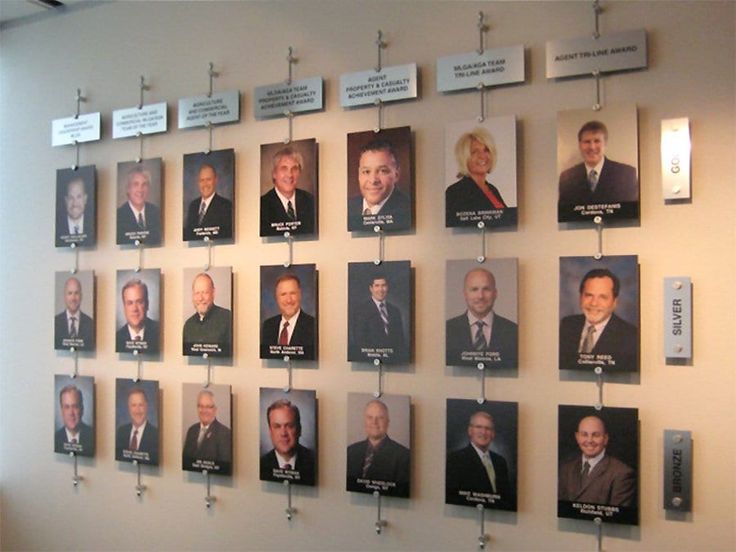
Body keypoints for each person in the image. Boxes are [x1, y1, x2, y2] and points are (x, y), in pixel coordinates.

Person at [559, 268, 638, 371]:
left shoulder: (630, 336)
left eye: (602, 297)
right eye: (588, 295)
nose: (594, 303)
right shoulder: (567, 325)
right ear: (580, 297)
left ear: (614, 302)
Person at [446, 267, 518, 368]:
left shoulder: (513, 331)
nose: (480, 296)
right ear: (465, 294)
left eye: (486, 289)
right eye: (474, 289)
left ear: (495, 293)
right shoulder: (448, 329)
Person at [558, 415, 635, 507]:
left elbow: (617, 518)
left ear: (605, 438)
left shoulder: (622, 473)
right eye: (584, 434)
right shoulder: (566, 468)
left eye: (596, 435)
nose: (589, 440)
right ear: (577, 437)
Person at [558, 121, 638, 209]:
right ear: (579, 145)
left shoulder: (626, 174)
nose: (592, 147)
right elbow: (566, 213)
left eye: (597, 141)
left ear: (605, 143)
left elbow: (629, 211)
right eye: (587, 142)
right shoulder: (567, 178)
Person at [445, 128, 514, 227]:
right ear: (464, 157)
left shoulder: (492, 189)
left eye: (486, 150)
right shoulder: (455, 192)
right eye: (474, 152)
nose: (482, 156)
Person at [446, 411, 514, 510]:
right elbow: (453, 496)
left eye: (488, 428)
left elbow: (505, 496)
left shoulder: (500, 462)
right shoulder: (456, 459)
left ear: (493, 434)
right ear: (470, 431)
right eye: (479, 427)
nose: (483, 432)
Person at [346, 399, 410, 497]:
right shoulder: (351, 451)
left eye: (380, 418)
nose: (374, 422)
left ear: (388, 422)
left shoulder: (403, 456)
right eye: (370, 417)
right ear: (364, 421)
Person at [347, 139, 410, 231]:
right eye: (366, 171)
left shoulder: (405, 209)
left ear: (396, 175)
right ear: (359, 175)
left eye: (382, 171)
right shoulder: (350, 207)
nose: (373, 180)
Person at [350, 274, 409, 363]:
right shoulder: (361, 311)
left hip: (393, 358)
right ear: (371, 288)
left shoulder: (395, 311)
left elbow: (400, 341)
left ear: (387, 287)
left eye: (383, 285)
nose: (381, 290)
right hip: (369, 358)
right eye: (377, 286)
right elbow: (359, 341)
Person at [260, 146, 315, 236]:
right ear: (274, 173)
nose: (289, 175)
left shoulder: (310, 201)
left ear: (300, 173)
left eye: (294, 169)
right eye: (284, 168)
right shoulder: (263, 205)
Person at [260, 398, 315, 485]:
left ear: (299, 429)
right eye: (277, 426)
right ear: (270, 431)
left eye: (289, 426)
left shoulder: (312, 461)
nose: (283, 433)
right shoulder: (262, 464)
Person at [260, 273, 316, 360]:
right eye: (283, 294)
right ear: (276, 298)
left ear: (300, 295)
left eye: (293, 293)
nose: (289, 300)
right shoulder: (268, 325)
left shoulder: (312, 325)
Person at [182, 272, 232, 356]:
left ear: (213, 293)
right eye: (197, 293)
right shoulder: (188, 325)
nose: (200, 298)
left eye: (205, 292)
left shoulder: (227, 318)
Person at [182, 389, 232, 471]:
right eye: (200, 406)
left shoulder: (224, 433)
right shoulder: (192, 430)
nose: (204, 410)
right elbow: (186, 461)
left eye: (208, 407)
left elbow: (224, 467)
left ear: (215, 410)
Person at [183, 163, 233, 241]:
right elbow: (189, 234)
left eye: (208, 179)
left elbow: (225, 233)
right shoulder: (193, 206)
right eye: (202, 180)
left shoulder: (225, 206)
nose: (205, 184)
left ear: (215, 180)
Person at [116, 164, 161, 245]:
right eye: (135, 184)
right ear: (128, 188)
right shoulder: (120, 215)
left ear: (148, 188)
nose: (140, 189)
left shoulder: (156, 212)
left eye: (144, 184)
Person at [115, 386, 159, 464]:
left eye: (141, 405)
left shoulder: (155, 434)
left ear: (146, 406)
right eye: (133, 405)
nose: (137, 410)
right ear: (129, 408)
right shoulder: (121, 432)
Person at [115, 279, 160, 354]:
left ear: (147, 304)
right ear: (124, 307)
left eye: (139, 302)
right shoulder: (118, 337)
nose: (135, 309)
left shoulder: (158, 332)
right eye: (130, 303)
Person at [54, 276, 94, 350]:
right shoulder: (55, 322)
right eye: (70, 293)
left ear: (81, 296)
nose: (73, 298)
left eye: (76, 293)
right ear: (65, 296)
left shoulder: (90, 324)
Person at [54, 384, 93, 455]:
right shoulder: (56, 438)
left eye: (75, 406)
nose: (71, 413)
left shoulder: (91, 436)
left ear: (82, 409)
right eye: (66, 407)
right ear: (61, 410)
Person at [56, 176, 93, 246]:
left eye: (79, 197)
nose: (75, 203)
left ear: (85, 199)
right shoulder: (59, 229)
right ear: (66, 200)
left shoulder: (92, 226)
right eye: (71, 198)